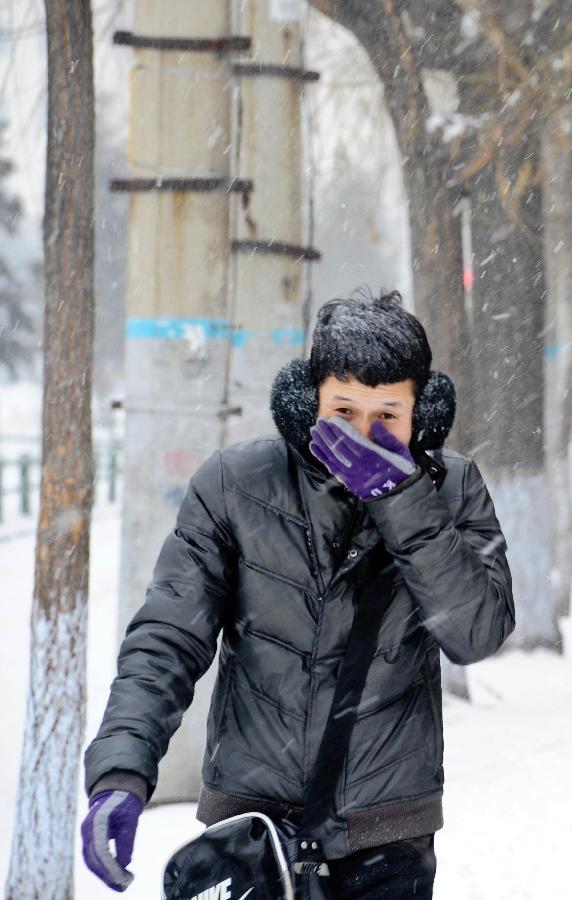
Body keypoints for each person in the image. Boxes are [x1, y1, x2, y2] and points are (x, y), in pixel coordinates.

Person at [80, 291, 515, 897]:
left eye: (388, 416)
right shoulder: (235, 483)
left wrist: (399, 497)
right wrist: (121, 772)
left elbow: (476, 633)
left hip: (386, 835)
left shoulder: (453, 489)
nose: (364, 436)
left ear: (423, 414)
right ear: (312, 400)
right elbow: (168, 638)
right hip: (252, 831)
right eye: (343, 411)